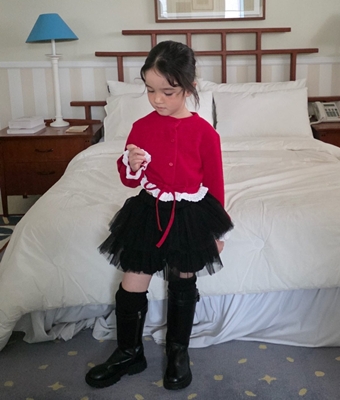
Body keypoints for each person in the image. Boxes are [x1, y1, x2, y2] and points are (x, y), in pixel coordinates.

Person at [85, 40, 233, 391]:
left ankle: (178, 351)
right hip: (148, 210)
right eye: (150, 90)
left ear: (189, 87)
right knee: (132, 280)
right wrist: (131, 164)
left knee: (183, 279)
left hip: (189, 215)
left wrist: (215, 234)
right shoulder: (141, 127)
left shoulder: (205, 133)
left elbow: (214, 185)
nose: (157, 100)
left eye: (168, 92)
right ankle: (129, 351)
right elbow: (129, 179)